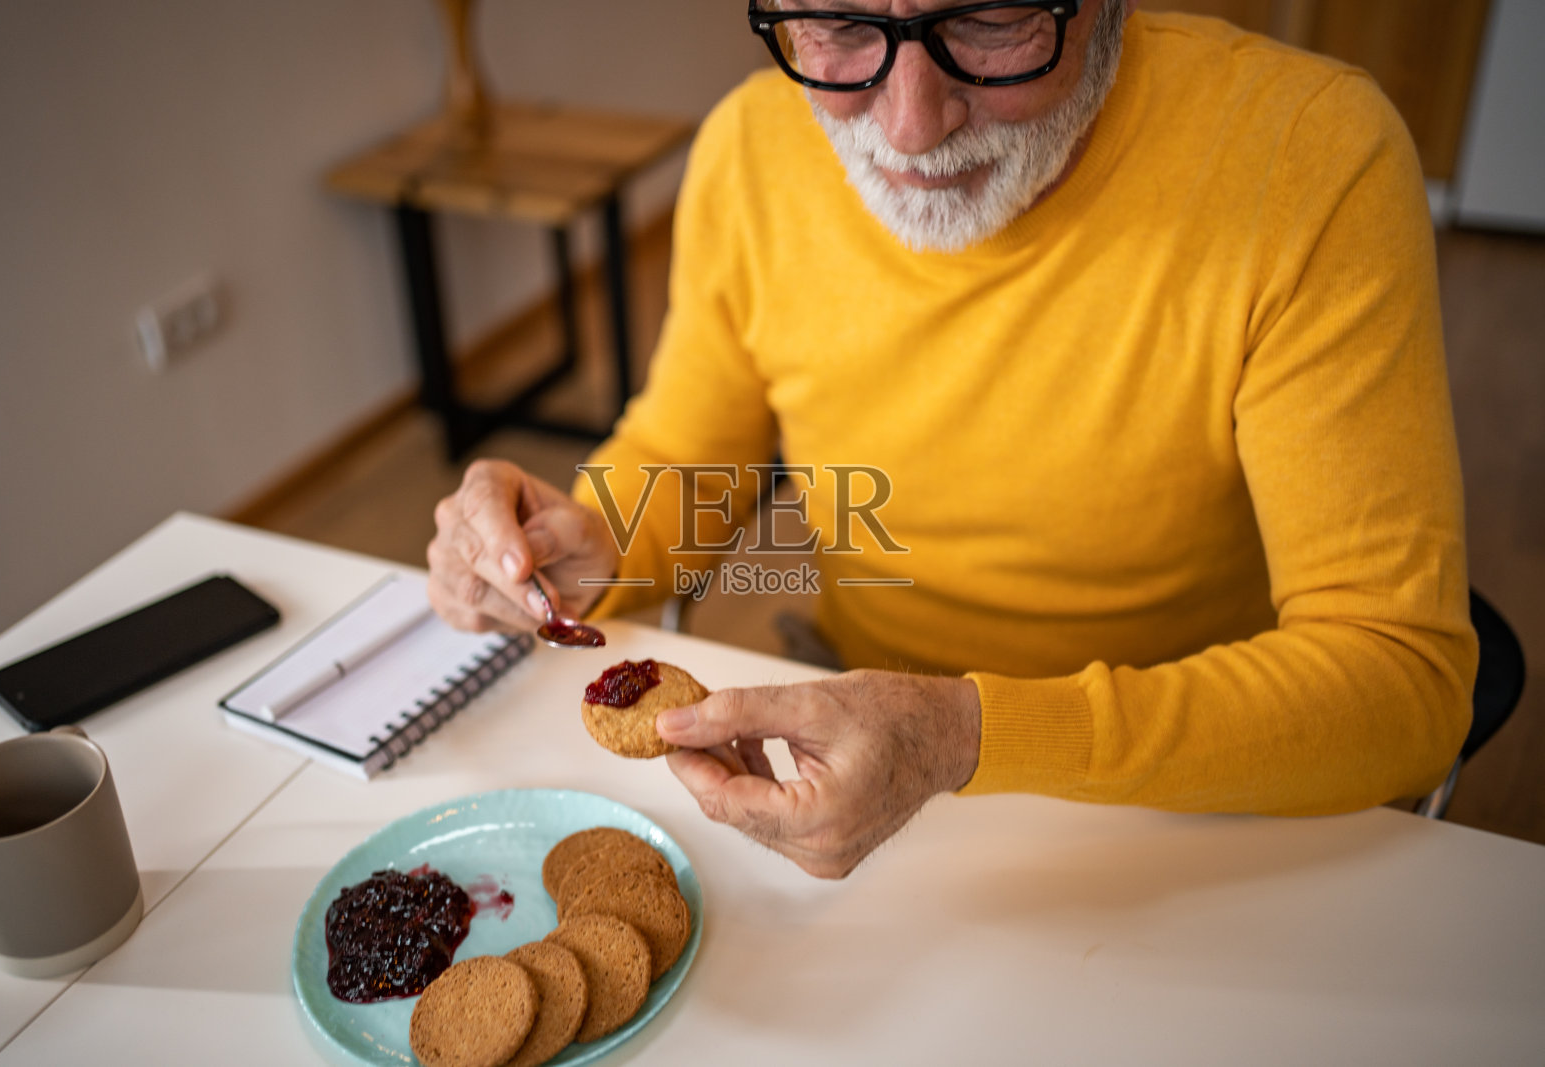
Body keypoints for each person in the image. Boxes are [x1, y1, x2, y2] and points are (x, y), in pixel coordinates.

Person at [427, 0, 1477, 879]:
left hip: (1188, 805)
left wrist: (961, 734)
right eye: (837, 25)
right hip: (850, 767)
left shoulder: (1309, 156)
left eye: (985, 19)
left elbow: (1398, 678)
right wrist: (580, 535)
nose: (911, 125)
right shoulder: (752, 143)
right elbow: (687, 450)